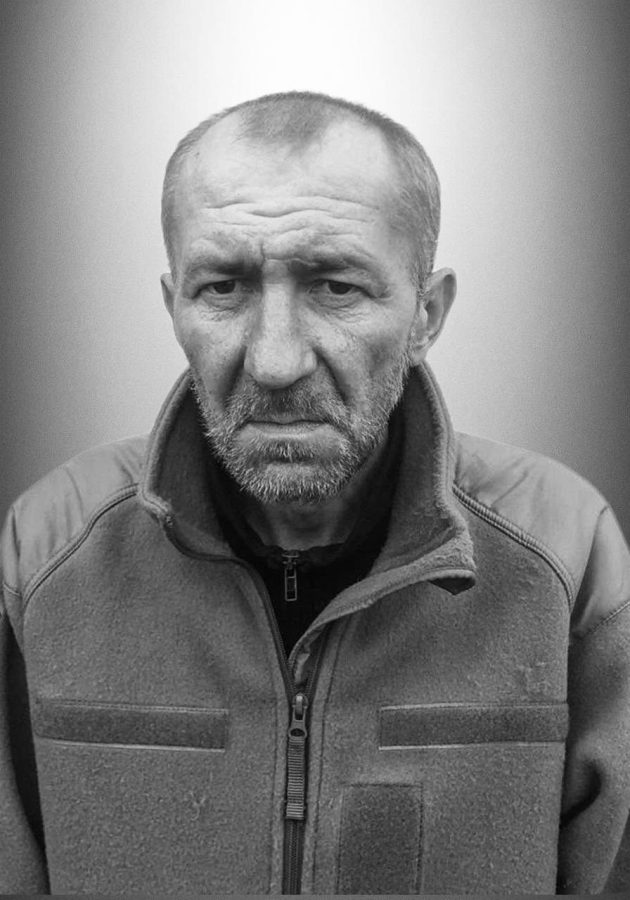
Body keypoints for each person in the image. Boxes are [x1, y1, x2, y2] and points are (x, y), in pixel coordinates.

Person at [1, 91, 629, 896]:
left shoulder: (565, 553)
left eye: (334, 286)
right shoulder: (47, 552)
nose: (275, 360)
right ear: (173, 306)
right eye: (222, 287)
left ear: (426, 314)